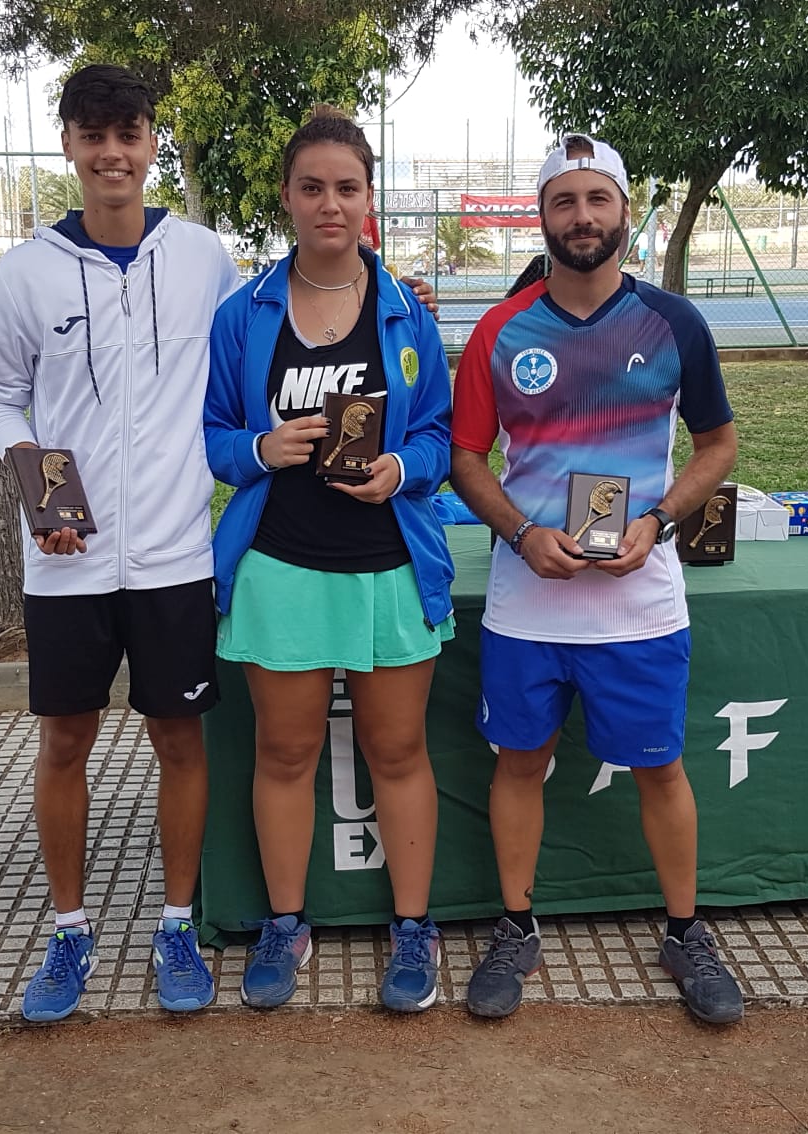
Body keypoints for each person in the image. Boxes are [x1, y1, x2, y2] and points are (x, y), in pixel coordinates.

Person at [448, 133, 745, 1025]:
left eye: (597, 199)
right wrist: (520, 532)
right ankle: (515, 927)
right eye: (564, 201)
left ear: (624, 211)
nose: (582, 217)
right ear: (542, 217)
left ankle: (686, 932)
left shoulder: (674, 323)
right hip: (528, 601)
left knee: (661, 769)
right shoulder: (500, 331)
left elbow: (717, 445)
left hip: (639, 604)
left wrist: (658, 523)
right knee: (519, 764)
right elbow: (466, 457)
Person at [0, 64, 237, 1024]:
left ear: (152, 142)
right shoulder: (27, 271)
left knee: (181, 739)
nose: (112, 155)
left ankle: (176, 925)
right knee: (65, 740)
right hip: (67, 558)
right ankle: (69, 931)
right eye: (94, 137)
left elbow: (256, 351)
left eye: (128, 134)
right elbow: (1, 395)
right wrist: (36, 488)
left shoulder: (203, 258)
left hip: (174, 555)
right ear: (70, 147)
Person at [203, 105, 457, 1014]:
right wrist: (258, 450)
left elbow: (441, 438)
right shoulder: (244, 317)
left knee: (397, 750)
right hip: (280, 566)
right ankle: (285, 923)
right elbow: (212, 435)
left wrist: (401, 470)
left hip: (389, 566)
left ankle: (414, 928)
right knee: (284, 751)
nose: (330, 205)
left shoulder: (406, 313)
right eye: (311, 187)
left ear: (369, 198)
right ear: (286, 196)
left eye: (347, 188)